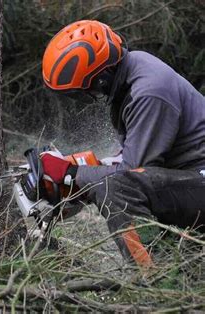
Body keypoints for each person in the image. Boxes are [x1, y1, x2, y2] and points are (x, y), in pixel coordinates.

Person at [40, 20, 205, 267]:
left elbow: (132, 175)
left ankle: (155, 282)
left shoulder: (149, 92)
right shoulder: (131, 72)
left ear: (101, 78)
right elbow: (133, 158)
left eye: (84, 91)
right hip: (191, 178)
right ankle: (181, 267)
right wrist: (77, 168)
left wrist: (73, 175)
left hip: (198, 179)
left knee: (115, 189)